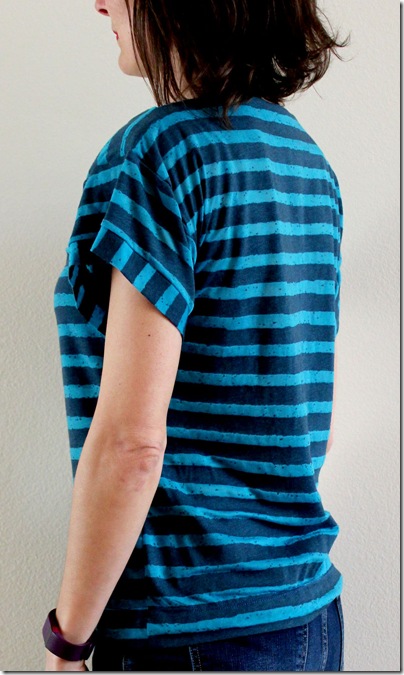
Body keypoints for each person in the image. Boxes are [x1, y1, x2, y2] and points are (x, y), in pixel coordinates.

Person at [44, 0, 349, 671]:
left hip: (188, 627)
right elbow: (299, 416)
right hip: (307, 615)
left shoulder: (157, 154)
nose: (99, 2)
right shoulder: (307, 161)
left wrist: (66, 642)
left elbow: (132, 444)